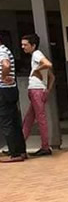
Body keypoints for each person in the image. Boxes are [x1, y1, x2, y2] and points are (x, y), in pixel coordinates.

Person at [21, 34, 53, 156]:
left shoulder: (36, 54)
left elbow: (48, 64)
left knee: (40, 118)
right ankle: (19, 144)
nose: (23, 47)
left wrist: (36, 71)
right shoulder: (36, 56)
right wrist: (47, 90)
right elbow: (52, 76)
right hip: (38, 90)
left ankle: (45, 146)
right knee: (29, 119)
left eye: (25, 44)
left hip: (36, 90)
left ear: (33, 45)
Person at [0, 34, 24, 163]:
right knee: (14, 121)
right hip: (11, 89)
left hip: (3, 90)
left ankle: (14, 153)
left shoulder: (1, 52)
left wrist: (3, 77)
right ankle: (20, 151)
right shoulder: (6, 50)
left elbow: (6, 64)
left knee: (6, 122)